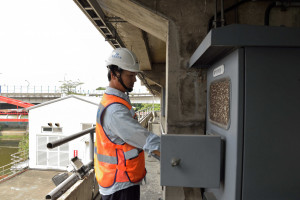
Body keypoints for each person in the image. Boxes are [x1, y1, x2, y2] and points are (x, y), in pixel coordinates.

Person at [94, 48, 160, 200]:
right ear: (114, 75)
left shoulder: (115, 100)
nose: (135, 80)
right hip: (120, 183)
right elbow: (145, 139)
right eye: (130, 75)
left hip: (118, 179)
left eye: (135, 75)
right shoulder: (115, 111)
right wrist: (175, 152)